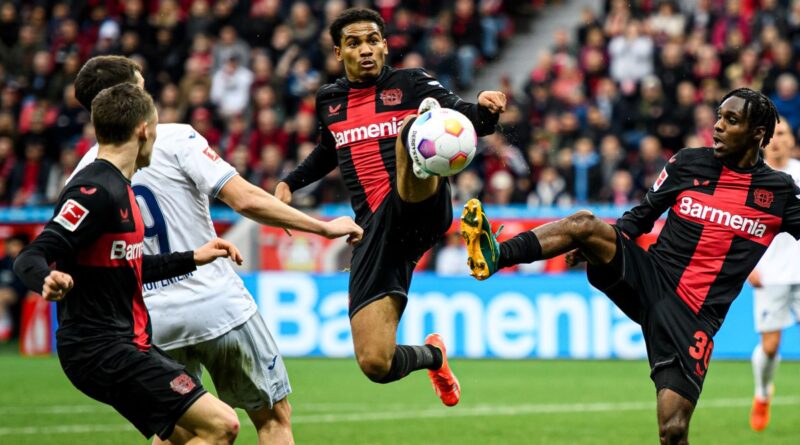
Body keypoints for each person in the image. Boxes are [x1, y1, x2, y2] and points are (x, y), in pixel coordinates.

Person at [460, 88, 800, 444]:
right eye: (718, 116)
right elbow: (640, 217)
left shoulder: (779, 193)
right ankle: (496, 254)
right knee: (583, 225)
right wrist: (598, 243)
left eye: (730, 120)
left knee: (673, 430)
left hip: (693, 319)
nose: (717, 127)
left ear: (758, 133)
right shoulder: (688, 163)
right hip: (649, 276)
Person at [69, 55, 364, 445]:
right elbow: (244, 200)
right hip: (217, 305)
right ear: (132, 95)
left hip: (152, 321)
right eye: (142, 85)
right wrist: (321, 228)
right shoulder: (176, 139)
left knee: (185, 434)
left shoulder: (81, 175)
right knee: (274, 419)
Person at [275, 8, 506, 406]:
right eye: (354, 43)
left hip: (421, 208)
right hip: (375, 232)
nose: (365, 49)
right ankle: (434, 356)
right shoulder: (329, 100)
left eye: (372, 40)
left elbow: (468, 119)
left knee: (410, 131)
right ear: (338, 52)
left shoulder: (412, 84)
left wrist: (485, 109)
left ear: (384, 45)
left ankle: (417, 148)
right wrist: (288, 182)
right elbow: (328, 151)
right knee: (375, 363)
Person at [14, 83, 243, 444]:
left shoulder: (122, 186)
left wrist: (192, 257)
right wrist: (46, 277)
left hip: (124, 343)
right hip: (102, 348)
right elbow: (31, 254)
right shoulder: (94, 192)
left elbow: (128, 265)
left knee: (183, 437)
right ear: (143, 130)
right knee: (221, 425)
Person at [746, 118, 800, 432]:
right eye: (773, 135)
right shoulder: (753, 177)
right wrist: (749, 266)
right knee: (770, 345)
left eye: (784, 134)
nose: (778, 140)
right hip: (770, 273)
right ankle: (763, 393)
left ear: (792, 139)